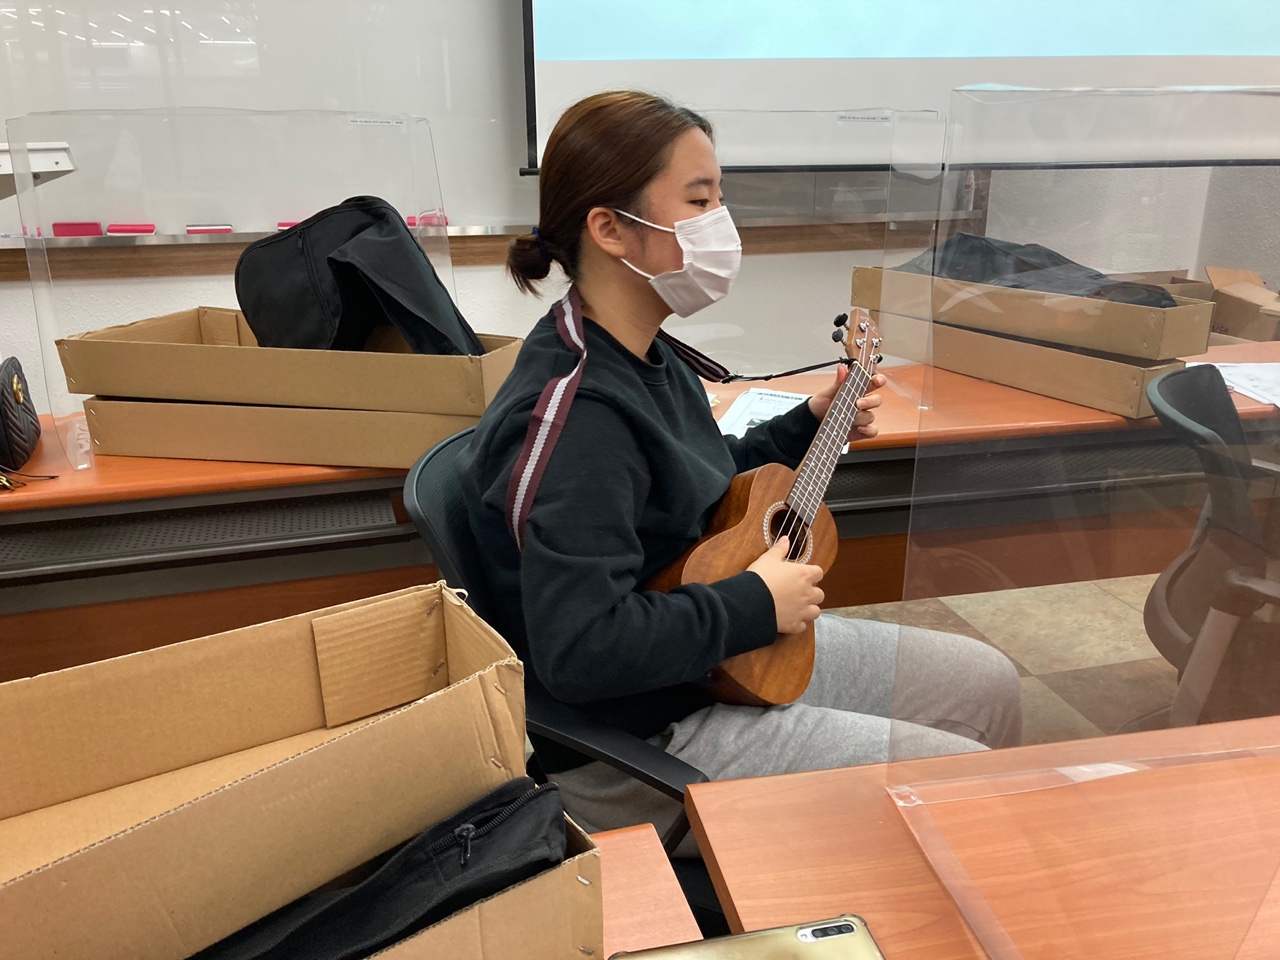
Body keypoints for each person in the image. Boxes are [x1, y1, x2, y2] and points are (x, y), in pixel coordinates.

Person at [459, 90, 1021, 843]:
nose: (722, 222)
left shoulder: (647, 353)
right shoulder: (581, 420)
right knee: (965, 788)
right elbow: (582, 650)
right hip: (643, 737)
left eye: (719, 198)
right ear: (610, 228)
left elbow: (696, 487)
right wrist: (754, 605)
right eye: (699, 200)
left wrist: (806, 422)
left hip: (710, 657)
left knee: (987, 684)